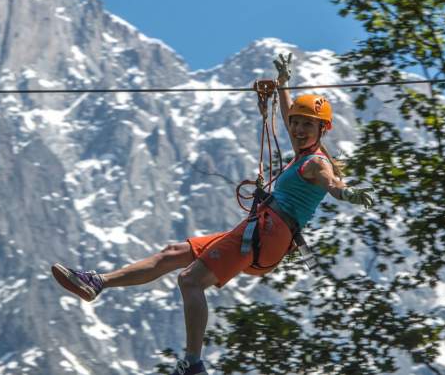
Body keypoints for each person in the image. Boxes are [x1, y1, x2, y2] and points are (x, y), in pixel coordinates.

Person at [51, 54, 375, 375]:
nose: (300, 129)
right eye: (297, 123)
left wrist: (347, 192)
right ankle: (98, 283)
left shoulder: (316, 163)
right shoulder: (302, 151)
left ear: (323, 129)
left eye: (309, 125)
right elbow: (290, 115)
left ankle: (193, 364)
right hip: (263, 230)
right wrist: (283, 85)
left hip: (269, 233)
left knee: (190, 280)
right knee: (173, 254)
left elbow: (331, 182)